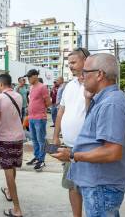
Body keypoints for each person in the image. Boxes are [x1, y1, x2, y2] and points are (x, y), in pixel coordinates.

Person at [51, 53, 125, 217]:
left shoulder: (111, 104)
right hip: (100, 184)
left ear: (99, 74)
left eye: (85, 72)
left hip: (102, 186)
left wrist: (73, 155)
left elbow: (112, 151)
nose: (82, 77)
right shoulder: (104, 99)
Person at [51, 47, 91, 217]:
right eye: (69, 64)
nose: (71, 66)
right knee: (72, 185)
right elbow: (61, 111)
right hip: (69, 147)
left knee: (89, 187)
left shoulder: (94, 85)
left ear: (86, 62)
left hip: (88, 148)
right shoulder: (69, 86)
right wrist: (55, 136)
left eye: (74, 62)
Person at [0, 73, 25, 217]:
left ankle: (17, 209)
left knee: (8, 172)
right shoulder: (19, 96)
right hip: (18, 138)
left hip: (5, 138)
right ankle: (9, 192)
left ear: (1, 84)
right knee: (13, 167)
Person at [25, 69, 51, 171]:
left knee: (41, 140)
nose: (28, 79)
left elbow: (48, 103)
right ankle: (37, 157)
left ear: (35, 76)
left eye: (30, 77)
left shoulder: (42, 87)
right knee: (34, 140)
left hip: (40, 118)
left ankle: (42, 160)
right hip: (31, 117)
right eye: (28, 77)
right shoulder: (31, 87)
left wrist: (40, 109)